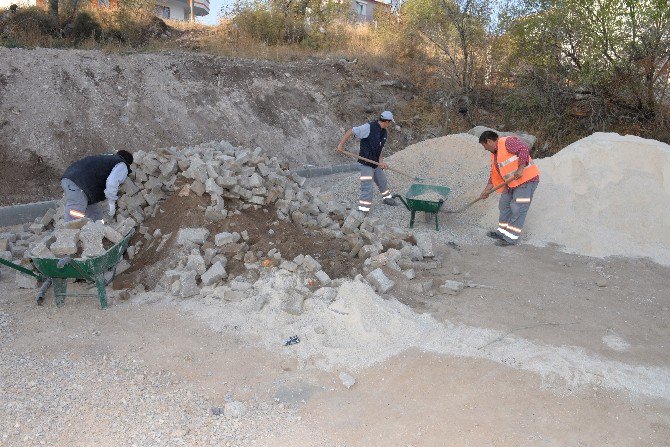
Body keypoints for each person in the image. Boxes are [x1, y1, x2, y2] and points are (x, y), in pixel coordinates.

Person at [478, 130, 540, 246]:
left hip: (526, 181)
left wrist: (521, 168)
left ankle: (510, 238)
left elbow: (524, 149)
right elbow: (494, 175)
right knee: (504, 206)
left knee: (518, 209)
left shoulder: (507, 142)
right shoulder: (494, 154)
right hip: (511, 184)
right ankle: (502, 233)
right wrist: (486, 191)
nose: (484, 148)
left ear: (489, 141)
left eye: (484, 145)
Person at [336, 110, 398, 213]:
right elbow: (351, 131)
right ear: (386, 121)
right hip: (366, 163)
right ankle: (363, 210)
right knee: (367, 187)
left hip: (375, 163)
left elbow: (380, 148)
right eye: (390, 122)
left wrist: (381, 161)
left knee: (382, 181)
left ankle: (387, 198)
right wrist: (341, 145)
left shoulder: (384, 132)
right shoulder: (368, 127)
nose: (390, 124)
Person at [61, 150, 134, 223]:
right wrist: (111, 204)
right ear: (128, 163)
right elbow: (112, 183)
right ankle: (68, 231)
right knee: (76, 209)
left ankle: (97, 230)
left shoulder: (106, 159)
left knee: (96, 215)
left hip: (77, 182)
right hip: (78, 183)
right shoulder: (122, 165)